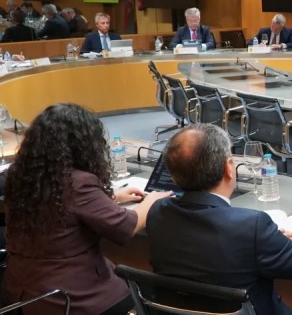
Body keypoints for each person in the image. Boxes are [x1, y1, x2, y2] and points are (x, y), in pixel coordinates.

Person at [147, 123, 292, 315]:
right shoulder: (250, 226)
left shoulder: (158, 212)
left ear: (173, 176)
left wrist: (270, 242)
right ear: (229, 168)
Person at [1, 104, 171, 315]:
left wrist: (111, 197)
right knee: (140, 291)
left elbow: (57, 205)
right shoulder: (78, 182)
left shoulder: (21, 174)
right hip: (70, 297)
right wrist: (151, 201)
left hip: (20, 293)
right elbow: (125, 227)